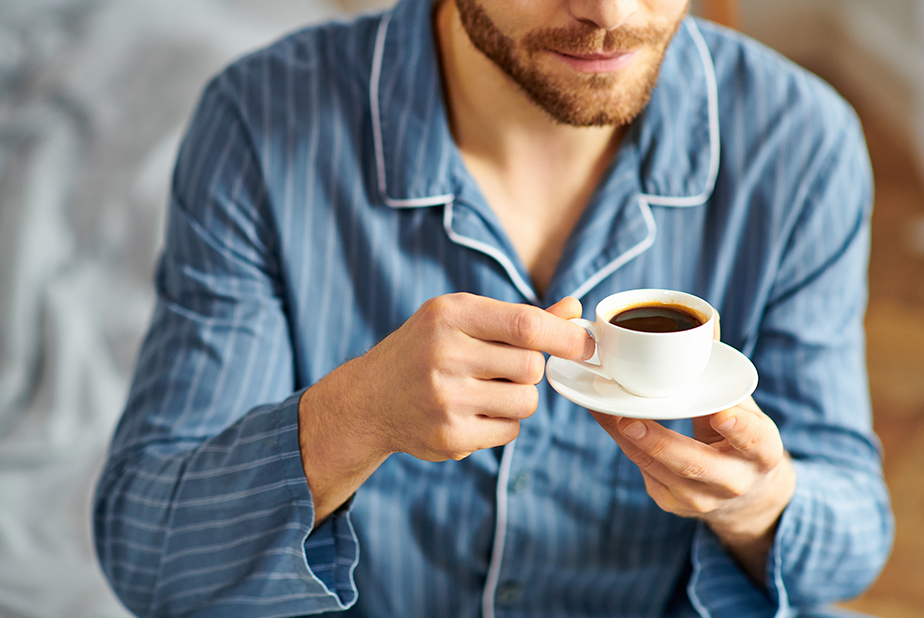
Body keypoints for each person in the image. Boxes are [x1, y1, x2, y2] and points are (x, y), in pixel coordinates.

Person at [93, 0, 894, 615]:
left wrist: (759, 505)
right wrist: (354, 418)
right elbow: (150, 555)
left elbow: (853, 538)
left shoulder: (801, 145)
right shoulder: (260, 124)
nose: (611, 14)